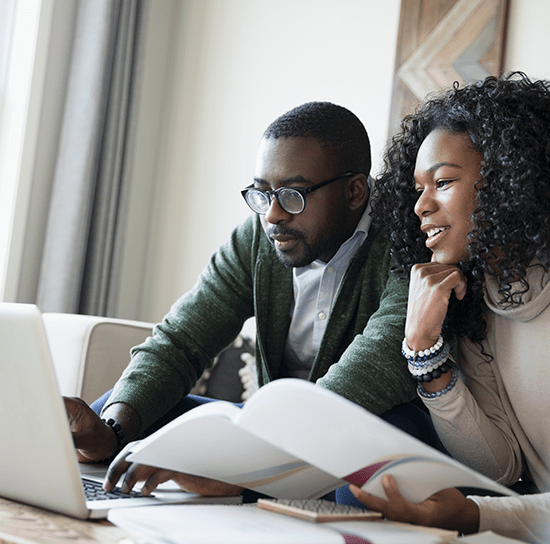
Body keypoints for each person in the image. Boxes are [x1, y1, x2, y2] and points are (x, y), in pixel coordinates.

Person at [66, 101, 442, 499]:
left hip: (371, 425)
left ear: (354, 192)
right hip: (273, 430)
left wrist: (246, 464)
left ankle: (260, 484)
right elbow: (182, 341)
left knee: (360, 478)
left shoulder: (408, 235)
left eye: (293, 195)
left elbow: (376, 367)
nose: (273, 215)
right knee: (119, 410)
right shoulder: (259, 239)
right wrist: (113, 431)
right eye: (262, 194)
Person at [349, 73, 550, 543]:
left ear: (507, 176)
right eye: (417, 189)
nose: (421, 206)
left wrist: (477, 517)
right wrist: (423, 348)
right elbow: (499, 465)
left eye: (442, 182)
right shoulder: (479, 305)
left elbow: (493, 500)